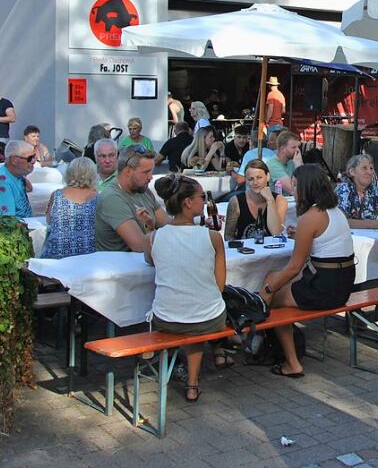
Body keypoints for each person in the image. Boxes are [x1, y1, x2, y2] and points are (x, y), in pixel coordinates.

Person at [258, 164, 355, 378]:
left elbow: (294, 267)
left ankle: (291, 361)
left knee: (272, 299)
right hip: (343, 283)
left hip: (325, 287)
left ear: (306, 187)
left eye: (294, 185)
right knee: (274, 278)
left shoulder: (311, 216)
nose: (293, 190)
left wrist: (268, 289)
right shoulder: (335, 211)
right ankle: (278, 349)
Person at [147, 175, 229, 402]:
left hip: (166, 317)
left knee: (182, 310)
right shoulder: (212, 237)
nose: (205, 201)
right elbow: (219, 285)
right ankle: (193, 383)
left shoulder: (155, 237)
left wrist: (150, 229)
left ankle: (168, 363)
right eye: (202, 197)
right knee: (201, 313)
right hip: (208, 317)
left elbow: (150, 259)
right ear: (188, 203)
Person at [94, 146, 168, 252]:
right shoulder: (112, 198)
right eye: (146, 172)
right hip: (120, 265)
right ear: (128, 171)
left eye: (151, 172)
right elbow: (139, 245)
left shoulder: (142, 190)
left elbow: (168, 225)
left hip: (143, 263)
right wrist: (151, 229)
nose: (150, 177)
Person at [40, 157, 99, 258]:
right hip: (88, 256)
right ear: (93, 175)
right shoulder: (99, 198)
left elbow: (49, 220)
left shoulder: (57, 195)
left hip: (57, 256)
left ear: (69, 173)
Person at [224, 159, 286, 240]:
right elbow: (228, 236)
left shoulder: (279, 200)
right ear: (246, 180)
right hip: (244, 250)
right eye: (250, 179)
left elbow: (276, 232)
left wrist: (270, 200)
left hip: (271, 251)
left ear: (267, 177)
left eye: (259, 177)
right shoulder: (236, 201)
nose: (255, 182)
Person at [335, 153, 378, 230]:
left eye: (371, 168)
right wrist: (374, 224)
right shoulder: (344, 189)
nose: (369, 172)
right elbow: (341, 221)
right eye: (364, 168)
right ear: (352, 172)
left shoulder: (373, 190)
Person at [0, 139, 35, 218]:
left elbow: (29, 188)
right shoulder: (3, 182)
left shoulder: (15, 174)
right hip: (14, 228)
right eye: (30, 158)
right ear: (14, 160)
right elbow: (7, 220)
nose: (33, 161)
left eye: (34, 157)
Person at [265, 130, 302, 194]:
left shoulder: (293, 161)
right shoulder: (272, 164)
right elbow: (292, 189)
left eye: (298, 147)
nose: (297, 150)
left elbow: (306, 186)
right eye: (294, 147)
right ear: (282, 149)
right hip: (279, 202)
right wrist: (298, 166)